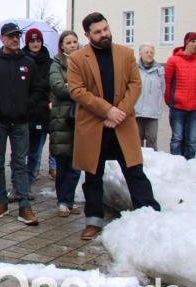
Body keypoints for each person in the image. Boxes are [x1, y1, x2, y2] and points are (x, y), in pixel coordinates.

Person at [68, 12, 160, 240]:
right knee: (93, 176)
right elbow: (77, 91)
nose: (104, 34)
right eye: (98, 32)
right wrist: (107, 110)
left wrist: (119, 113)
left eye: (106, 29)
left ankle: (150, 215)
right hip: (93, 126)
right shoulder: (78, 58)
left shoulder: (125, 54)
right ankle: (93, 220)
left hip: (122, 123)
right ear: (88, 35)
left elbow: (135, 85)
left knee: (135, 171)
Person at [0, 22, 43, 226]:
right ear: (2, 38)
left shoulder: (28, 62)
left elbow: (38, 89)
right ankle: (1, 201)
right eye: (11, 36)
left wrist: (26, 106)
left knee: (20, 163)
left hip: (21, 121)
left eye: (17, 36)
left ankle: (24, 205)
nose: (15, 39)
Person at [48, 31, 82, 217]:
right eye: (68, 42)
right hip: (62, 119)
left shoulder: (84, 62)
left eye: (75, 41)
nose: (72, 45)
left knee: (76, 164)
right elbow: (59, 88)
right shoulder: (56, 64)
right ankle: (62, 201)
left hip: (81, 118)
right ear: (62, 45)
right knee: (63, 163)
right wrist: (79, 89)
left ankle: (70, 199)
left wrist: (73, 87)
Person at [22, 28, 52, 189]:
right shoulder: (20, 59)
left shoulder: (49, 62)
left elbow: (50, 84)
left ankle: (29, 180)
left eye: (38, 41)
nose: (35, 44)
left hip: (42, 111)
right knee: (21, 151)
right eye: (32, 41)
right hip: (24, 110)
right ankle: (18, 180)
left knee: (36, 151)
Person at [164, 32, 196, 159]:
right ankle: (176, 164)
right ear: (186, 43)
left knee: (192, 140)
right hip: (177, 107)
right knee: (177, 138)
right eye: (193, 41)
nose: (195, 44)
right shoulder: (174, 60)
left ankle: (190, 165)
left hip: (194, 108)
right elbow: (168, 82)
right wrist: (170, 101)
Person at [135, 44, 165, 150]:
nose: (149, 54)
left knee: (151, 141)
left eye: (151, 52)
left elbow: (163, 89)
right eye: (146, 52)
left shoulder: (159, 70)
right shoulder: (134, 69)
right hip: (137, 112)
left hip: (153, 113)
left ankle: (153, 161)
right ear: (140, 54)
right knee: (136, 142)